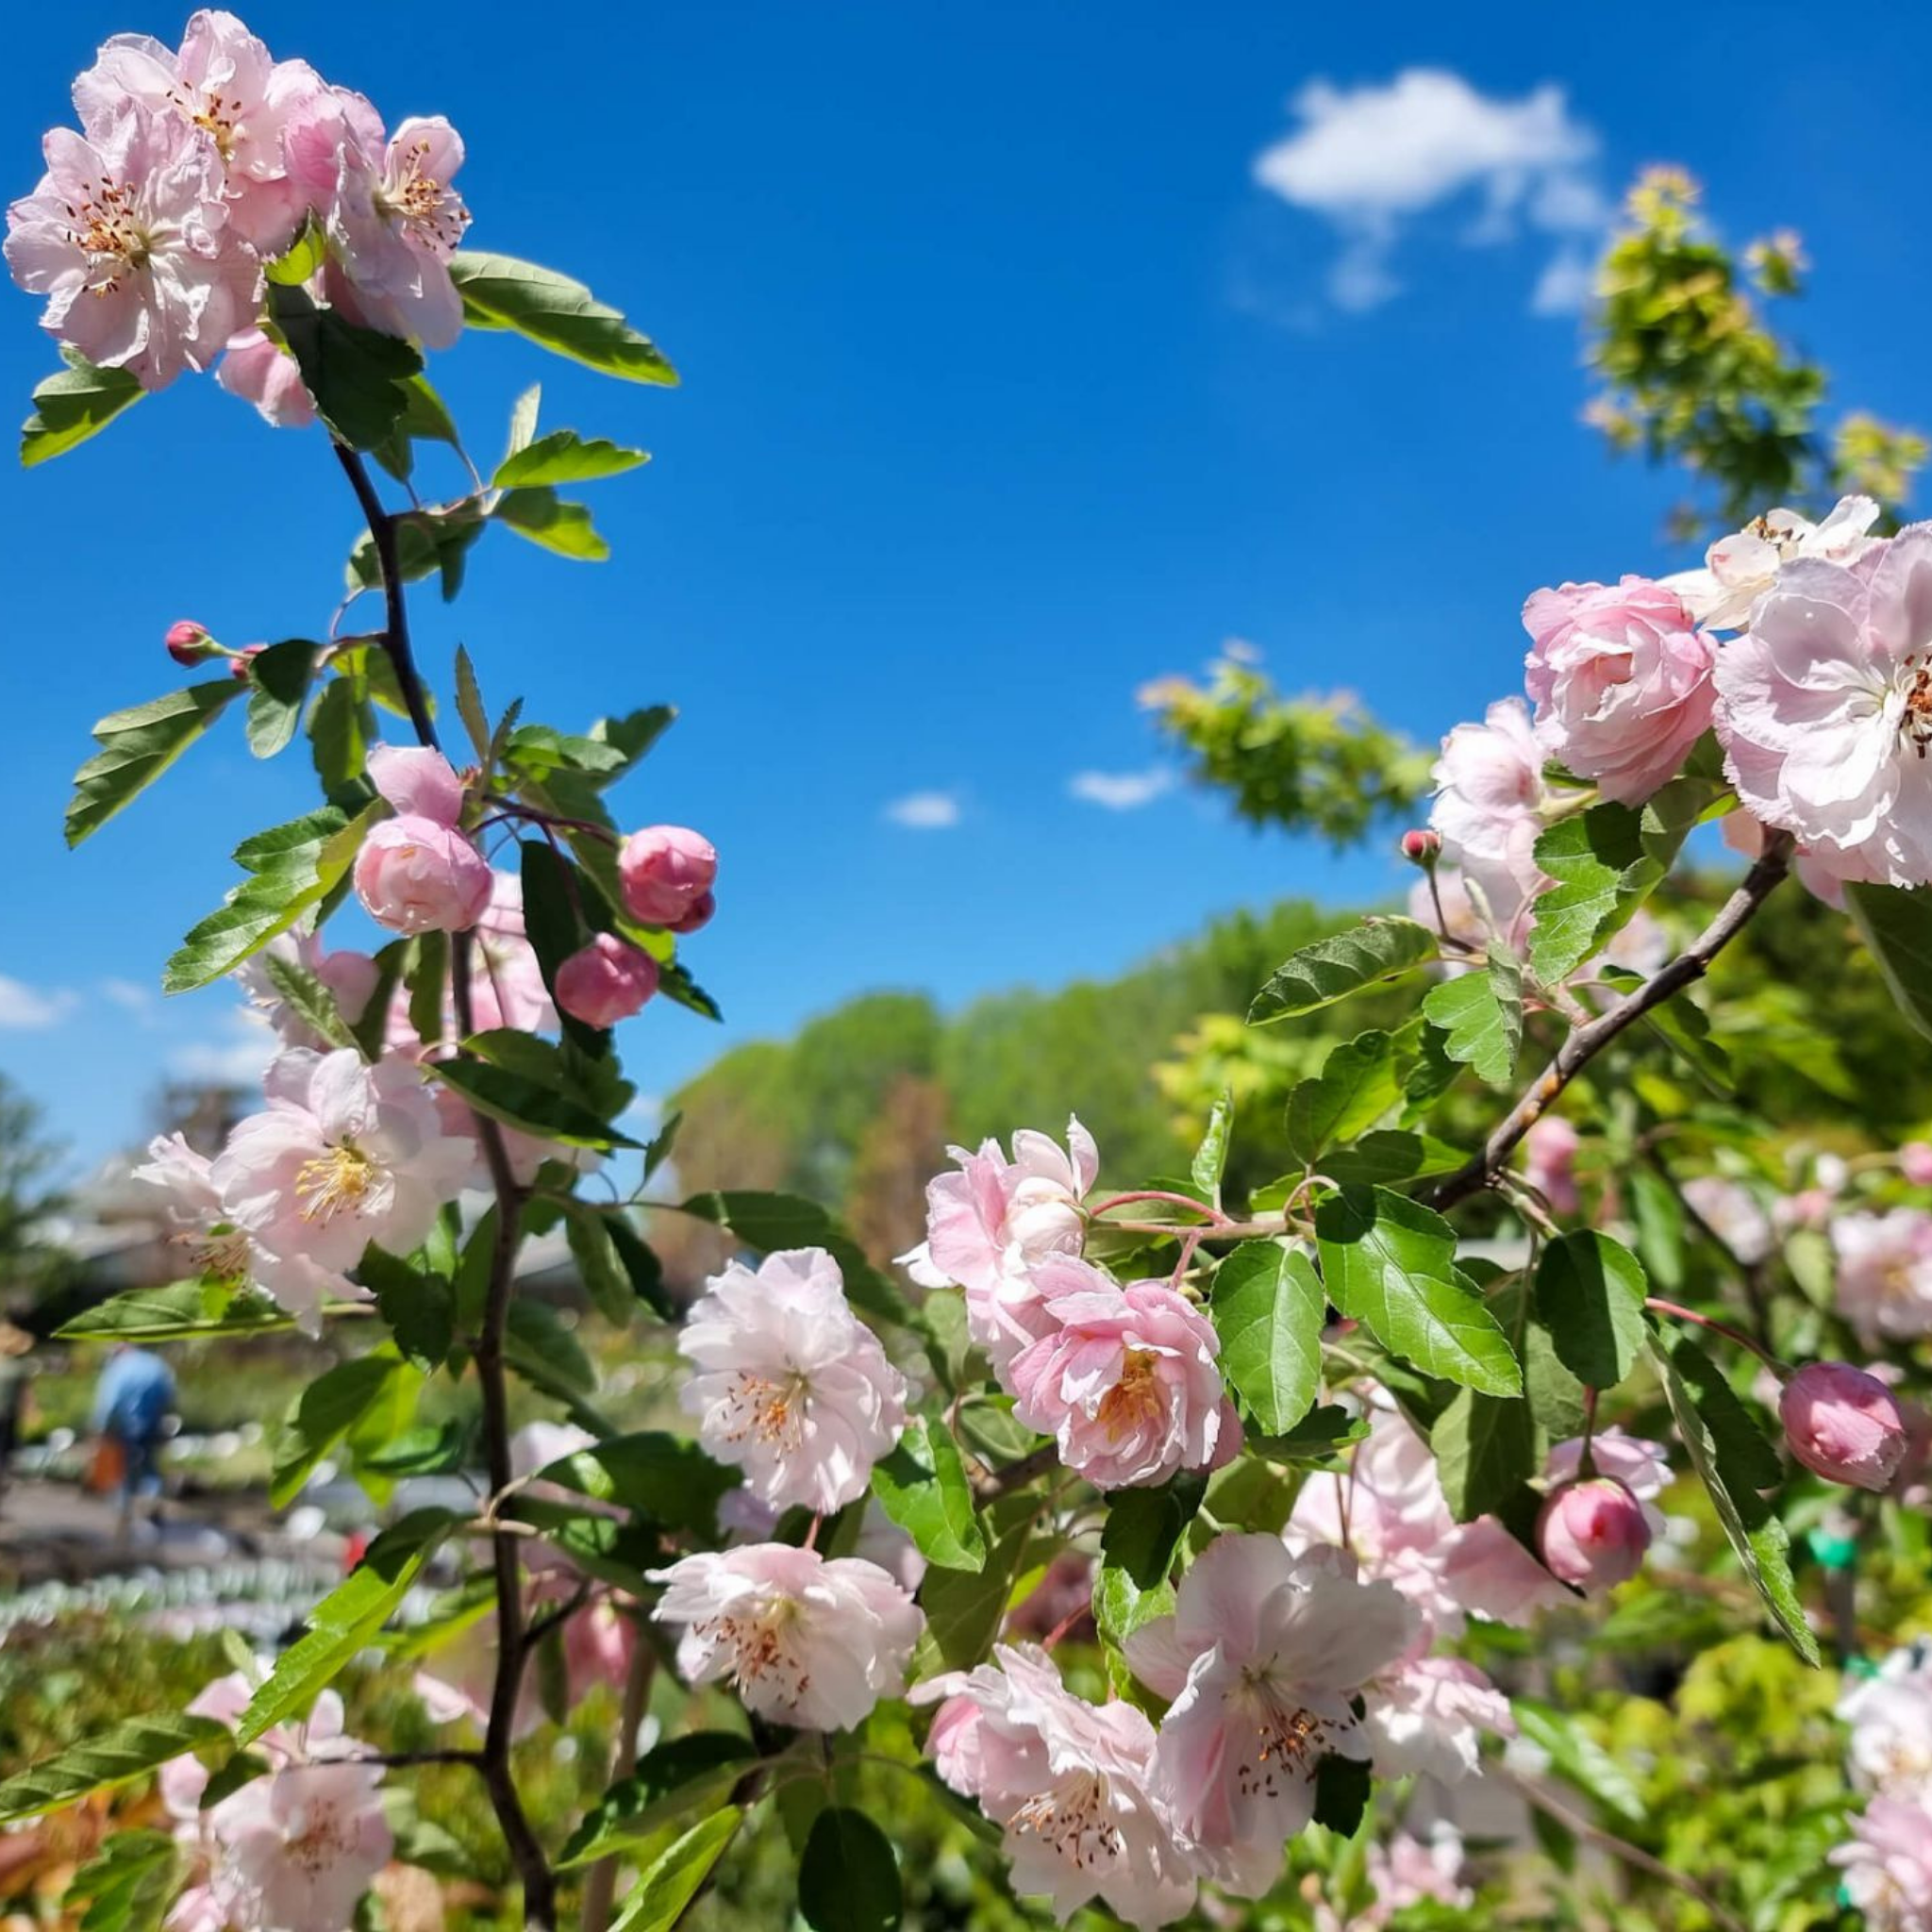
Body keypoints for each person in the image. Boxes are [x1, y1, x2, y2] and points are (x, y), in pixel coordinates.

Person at [90, 1344, 175, 1536]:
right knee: (149, 1464)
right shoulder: (155, 1364)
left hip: (126, 1426)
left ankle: (123, 1510)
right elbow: (169, 1394)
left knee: (123, 1467)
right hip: (152, 1422)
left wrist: (100, 1426)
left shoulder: (119, 1368)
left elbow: (108, 1401)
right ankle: (151, 1502)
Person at [0, 1322, 33, 1512]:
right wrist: (31, 1412)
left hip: (7, 1416)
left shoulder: (11, 1367)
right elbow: (26, 1395)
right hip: (8, 1417)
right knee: (5, 1454)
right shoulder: (18, 1368)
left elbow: (25, 1395)